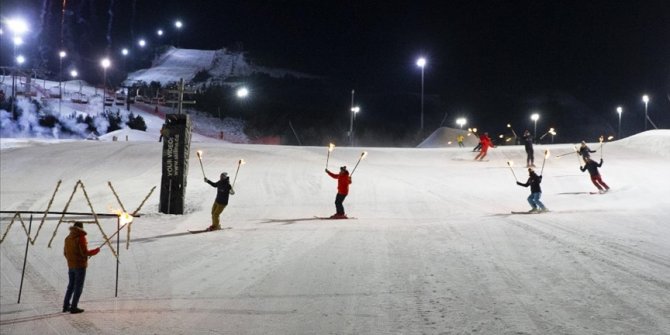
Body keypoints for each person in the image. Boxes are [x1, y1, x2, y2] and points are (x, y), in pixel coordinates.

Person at [63, 222, 100, 314]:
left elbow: (65, 253)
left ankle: (66, 305)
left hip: (71, 266)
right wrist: (96, 251)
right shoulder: (81, 238)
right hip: (80, 266)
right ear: (81, 228)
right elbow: (84, 252)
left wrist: (71, 260)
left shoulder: (67, 238)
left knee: (71, 286)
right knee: (78, 287)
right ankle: (74, 307)